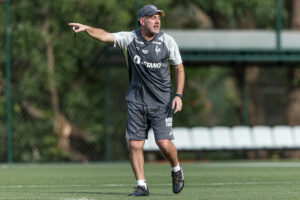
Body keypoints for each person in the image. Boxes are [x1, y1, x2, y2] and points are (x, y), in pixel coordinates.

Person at [69, 4, 185, 196]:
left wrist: (179, 96)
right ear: (142, 21)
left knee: (163, 143)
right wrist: (87, 28)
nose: (157, 21)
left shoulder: (168, 41)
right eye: (152, 17)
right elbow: (106, 35)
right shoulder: (130, 39)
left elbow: (179, 68)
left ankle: (176, 170)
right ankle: (142, 185)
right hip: (136, 101)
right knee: (134, 145)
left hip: (161, 102)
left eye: (159, 17)